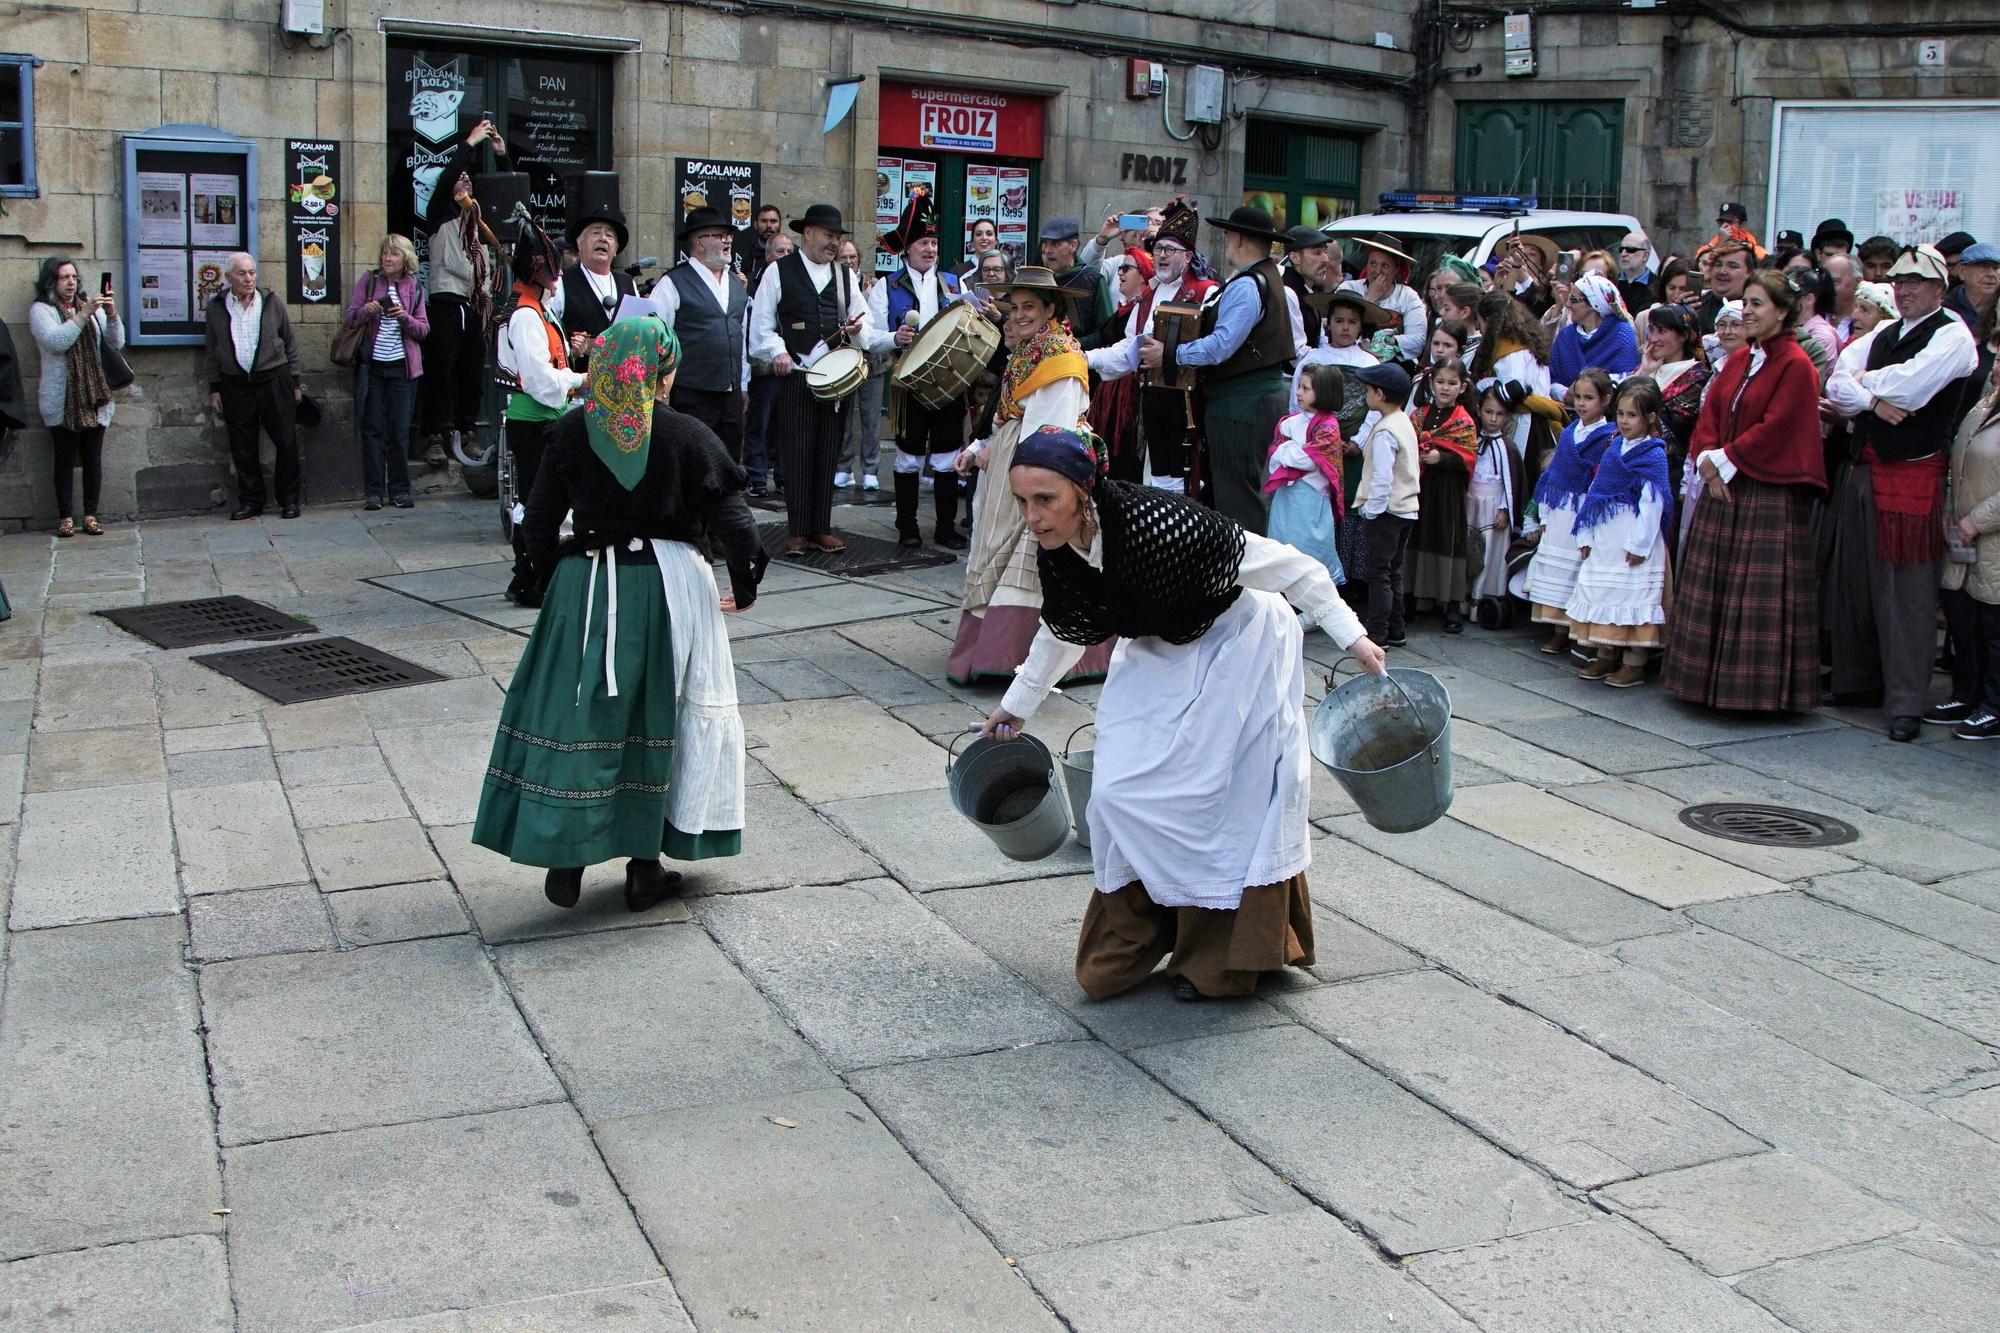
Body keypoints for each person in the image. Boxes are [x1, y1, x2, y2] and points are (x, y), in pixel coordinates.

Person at [976, 427, 1387, 1001]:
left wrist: (1353, 637)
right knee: (1118, 793)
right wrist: (1016, 706)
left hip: (1238, 643)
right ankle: (1142, 931)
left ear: (1083, 491)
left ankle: (1221, 953)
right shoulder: (1060, 554)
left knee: (1215, 793)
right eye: (1022, 501)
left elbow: (1293, 567)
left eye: (1045, 500)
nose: (1034, 516)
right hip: (1159, 647)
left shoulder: (1164, 524)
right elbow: (1062, 630)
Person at [472, 317, 763, 913]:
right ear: (661, 371)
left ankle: (568, 854)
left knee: (582, 716)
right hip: (668, 588)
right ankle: (643, 867)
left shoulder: (571, 432)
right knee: (658, 712)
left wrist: (551, 577)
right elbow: (737, 527)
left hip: (587, 581)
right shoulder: (689, 434)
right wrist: (745, 584)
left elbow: (537, 521)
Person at [1822, 245, 1981, 739]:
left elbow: (1912, 391)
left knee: (1906, 595)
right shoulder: (1886, 333)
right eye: (1900, 282)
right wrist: (1873, 397)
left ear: (1939, 287)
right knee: (1857, 585)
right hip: (1866, 468)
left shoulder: (1954, 335)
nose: (1905, 290)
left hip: (1912, 475)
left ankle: (1906, 701)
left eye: (1916, 282)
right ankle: (1860, 682)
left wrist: (1863, 390)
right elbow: (1837, 382)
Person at [1666, 271, 1827, 713]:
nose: (1748, 312)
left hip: (1765, 492)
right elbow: (1712, 411)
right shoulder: (1740, 359)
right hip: (1723, 484)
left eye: (1757, 304)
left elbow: (1778, 427)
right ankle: (1702, 683)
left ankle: (1752, 694)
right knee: (1715, 587)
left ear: (1782, 311)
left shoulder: (1795, 364)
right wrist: (1707, 460)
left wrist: (1724, 460)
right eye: (1747, 302)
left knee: (1755, 598)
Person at [947, 267, 1114, 685]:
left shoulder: (1061, 357)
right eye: (1015, 307)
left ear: (1050, 309)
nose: (1019, 315)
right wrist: (979, 449)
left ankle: (1022, 654)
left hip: (1043, 470)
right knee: (1007, 550)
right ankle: (1000, 650)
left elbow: (1049, 429)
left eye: (1029, 307)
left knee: (1034, 551)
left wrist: (1032, 485)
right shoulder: (1029, 352)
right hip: (1015, 462)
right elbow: (1006, 419)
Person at [1138, 205, 1294, 532]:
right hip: (1249, 400)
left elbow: (1221, 346)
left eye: (1227, 236)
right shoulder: (1265, 278)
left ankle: (1244, 576)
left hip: (1241, 404)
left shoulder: (1248, 284)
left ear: (1236, 238)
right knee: (1239, 494)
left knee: (1237, 498)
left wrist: (1170, 353)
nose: (1226, 242)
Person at [748, 203, 872, 555]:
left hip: (836, 380)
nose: (833, 243)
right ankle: (797, 530)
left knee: (828, 452)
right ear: (809, 233)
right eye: (828, 236)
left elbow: (865, 320)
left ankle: (821, 526)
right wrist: (778, 352)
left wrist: (860, 328)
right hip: (799, 376)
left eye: (837, 237)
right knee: (798, 452)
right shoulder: (779, 272)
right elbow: (761, 325)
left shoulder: (845, 276)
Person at [867, 192, 967, 549]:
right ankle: (907, 525)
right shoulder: (886, 286)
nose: (930, 249)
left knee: (945, 455)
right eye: (923, 242)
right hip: (907, 381)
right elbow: (869, 335)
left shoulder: (954, 285)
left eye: (934, 242)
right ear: (907, 248)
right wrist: (895, 336)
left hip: (947, 382)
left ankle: (944, 526)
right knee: (908, 455)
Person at [496, 208, 586, 604]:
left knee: (542, 501)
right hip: (533, 420)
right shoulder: (526, 316)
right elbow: (540, 381)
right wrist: (581, 381)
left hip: (547, 418)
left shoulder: (539, 309)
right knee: (535, 502)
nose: (561, 274)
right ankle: (530, 579)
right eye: (555, 269)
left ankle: (534, 577)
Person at [1567, 377, 1672, 687]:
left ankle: (1634, 662)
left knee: (1633, 595)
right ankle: (1606, 654)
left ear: (1650, 417)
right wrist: (1586, 534)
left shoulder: (1652, 455)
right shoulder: (1614, 449)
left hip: (1632, 537)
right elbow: (1596, 492)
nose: (1624, 421)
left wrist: (1639, 545)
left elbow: (1653, 504)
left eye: (1632, 415)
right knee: (1604, 592)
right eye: (1621, 414)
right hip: (1606, 535)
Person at [419, 118, 508, 463]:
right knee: (442, 369)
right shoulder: (440, 215)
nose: (466, 181)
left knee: (472, 370)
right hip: (447, 302)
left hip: (477, 303)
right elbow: (447, 179)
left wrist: (501, 155)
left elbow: (507, 193)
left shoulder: (481, 221)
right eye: (462, 178)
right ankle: (433, 436)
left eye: (470, 179)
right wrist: (471, 143)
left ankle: (466, 431)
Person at [1523, 369, 1618, 656]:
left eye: (1589, 398)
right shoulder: (1568, 433)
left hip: (1584, 508)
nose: (1581, 403)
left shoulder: (1607, 437)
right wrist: (1544, 512)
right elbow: (1554, 474)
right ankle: (1559, 629)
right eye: (1578, 397)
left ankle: (1579, 632)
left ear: (1605, 400)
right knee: (1557, 570)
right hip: (1560, 508)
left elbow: (1601, 478)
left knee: (1578, 570)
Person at [204, 253, 303, 521]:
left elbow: (290, 343)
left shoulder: (271, 303)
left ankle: (289, 500)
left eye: (252, 273)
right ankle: (251, 501)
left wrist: (294, 382)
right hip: (235, 384)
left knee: (285, 441)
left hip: (274, 380)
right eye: (241, 274)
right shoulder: (216, 308)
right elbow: (212, 351)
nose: (248, 279)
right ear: (228, 278)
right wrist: (215, 388)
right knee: (243, 445)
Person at [29, 257, 123, 537]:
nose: (70, 282)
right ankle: (65, 516)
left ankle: (91, 514)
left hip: (94, 395)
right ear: (51, 282)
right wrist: (82, 316)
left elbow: (116, 343)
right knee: (64, 457)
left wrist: (112, 314)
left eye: (73, 277)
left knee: (93, 457)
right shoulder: (41, 311)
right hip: (61, 398)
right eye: (63, 277)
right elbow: (57, 342)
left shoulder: (91, 309)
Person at [652, 207, 750, 473]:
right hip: (691, 394)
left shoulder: (734, 282)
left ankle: (722, 515)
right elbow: (655, 342)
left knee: (728, 466)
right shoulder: (673, 282)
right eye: (720, 235)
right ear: (699, 241)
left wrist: (742, 384)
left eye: (729, 235)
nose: (727, 240)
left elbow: (740, 338)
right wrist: (661, 394)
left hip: (729, 397)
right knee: (692, 466)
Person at [1931, 360, 2000, 739]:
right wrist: (1948, 508)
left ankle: (1994, 705)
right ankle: (1966, 694)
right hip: (1964, 531)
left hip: (1988, 534)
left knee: (1994, 627)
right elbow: (1957, 464)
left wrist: (1977, 521)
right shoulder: (1985, 403)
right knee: (1964, 619)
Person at [343, 234, 430, 511]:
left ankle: (400, 490)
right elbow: (350, 317)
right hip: (373, 368)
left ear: (404, 258)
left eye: (393, 254)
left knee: (399, 430)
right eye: (384, 254)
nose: (387, 259)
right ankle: (373, 492)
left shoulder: (414, 287)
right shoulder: (369, 281)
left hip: (402, 370)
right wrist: (367, 312)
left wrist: (403, 317)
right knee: (372, 430)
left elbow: (423, 329)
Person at [1406, 357, 1477, 632]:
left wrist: (1442, 458)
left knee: (1446, 540)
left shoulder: (1463, 421)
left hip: (1447, 492)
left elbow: (1468, 458)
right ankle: (1411, 596)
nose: (1445, 388)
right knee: (1416, 537)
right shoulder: (1419, 415)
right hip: (1420, 487)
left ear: (1462, 387)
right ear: (1431, 383)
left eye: (1452, 383)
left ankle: (1450, 604)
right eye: (1440, 382)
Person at [1264, 361, 1346, 593]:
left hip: (1311, 500)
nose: (1298, 392)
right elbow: (1276, 458)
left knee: (1310, 547)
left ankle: (1314, 605)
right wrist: (1290, 450)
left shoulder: (1328, 426)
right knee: (1282, 543)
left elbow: (1308, 460)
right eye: (1299, 387)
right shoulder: (1288, 422)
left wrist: (1289, 450)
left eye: (1306, 388)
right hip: (1287, 497)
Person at [1353, 361, 1419, 647]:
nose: (1365, 394)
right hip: (1407, 509)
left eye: (1367, 389)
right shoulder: (1403, 421)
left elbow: (1382, 478)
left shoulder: (1384, 432)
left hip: (1387, 511)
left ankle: (1377, 632)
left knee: (1378, 572)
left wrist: (1371, 510)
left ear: (1379, 394)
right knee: (1393, 570)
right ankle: (1396, 628)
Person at [1085, 245, 1153, 484]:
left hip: (1127, 394)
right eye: (1120, 267)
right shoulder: (1127, 309)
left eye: (1127, 267)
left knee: (1122, 457)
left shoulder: (1142, 309)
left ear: (1143, 275)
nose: (1121, 273)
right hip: (1110, 388)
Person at [559, 177, 636, 368]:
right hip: (581, 387)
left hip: (621, 388)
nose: (603, 239)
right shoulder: (563, 282)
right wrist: (574, 347)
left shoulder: (627, 283)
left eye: (609, 235)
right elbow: (551, 337)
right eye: (595, 233)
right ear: (579, 242)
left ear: (616, 248)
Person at [741, 230, 794, 497]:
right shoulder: (751, 283)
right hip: (761, 366)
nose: (785, 257)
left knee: (786, 425)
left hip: (790, 367)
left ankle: (784, 477)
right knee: (759, 424)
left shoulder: (795, 280)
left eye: (789, 252)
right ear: (768, 254)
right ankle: (757, 477)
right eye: (780, 251)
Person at [835, 236, 888, 496]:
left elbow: (879, 326)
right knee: (843, 418)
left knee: (871, 419)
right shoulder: (832, 285)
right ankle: (843, 468)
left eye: (852, 257)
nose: (847, 261)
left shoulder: (874, 287)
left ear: (859, 261)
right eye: (842, 257)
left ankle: (870, 471)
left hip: (872, 361)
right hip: (844, 360)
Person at [1467, 384, 1524, 613]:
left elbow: (1511, 484)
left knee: (1490, 551)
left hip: (1493, 507)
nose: (1493, 419)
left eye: (1499, 414)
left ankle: (1483, 602)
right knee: (1469, 549)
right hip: (1471, 502)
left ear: (1507, 417)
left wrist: (1504, 509)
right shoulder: (1472, 439)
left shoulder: (1507, 447)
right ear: (1479, 410)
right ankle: (1463, 599)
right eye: (1489, 412)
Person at [1338, 233, 1427, 362]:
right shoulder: (1348, 289)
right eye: (1373, 264)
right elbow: (1339, 326)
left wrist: (1387, 343)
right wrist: (1370, 299)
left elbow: (1418, 339)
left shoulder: (1408, 296)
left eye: (1385, 266)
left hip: (1393, 365)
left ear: (1396, 269)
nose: (1377, 271)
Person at [1549, 273, 1639, 400]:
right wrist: (1564, 394)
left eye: (1573, 300)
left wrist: (1589, 391)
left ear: (1593, 303)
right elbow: (1550, 378)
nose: (1567, 304)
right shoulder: (1566, 336)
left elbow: (1629, 379)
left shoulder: (1621, 333)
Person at [1038, 217, 1109, 341]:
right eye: (1045, 243)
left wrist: (1071, 345)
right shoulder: (1037, 280)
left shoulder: (1092, 280)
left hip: (1080, 356)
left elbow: (1106, 331)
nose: (1048, 250)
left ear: (1073, 245)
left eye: (1055, 244)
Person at [1283, 226, 1343, 351]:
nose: (1326, 259)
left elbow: (1320, 341)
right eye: (1317, 253)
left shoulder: (1307, 290)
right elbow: (1297, 352)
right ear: (1295, 257)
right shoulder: (1288, 292)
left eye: (1325, 252)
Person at [1697, 239, 1753, 334]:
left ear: (1750, 274)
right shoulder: (1696, 306)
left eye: (1732, 266)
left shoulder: (1756, 311)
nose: (1722, 271)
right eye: (1718, 265)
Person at [1947, 242, 2000, 335]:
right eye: (1984, 267)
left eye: (1996, 268)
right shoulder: (1945, 310)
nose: (1992, 274)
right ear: (1962, 271)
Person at [1695, 201, 1766, 264]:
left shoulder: (1758, 252)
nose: (1724, 226)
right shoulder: (1708, 248)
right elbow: (1703, 267)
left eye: (1730, 222)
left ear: (1742, 225)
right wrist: (1720, 244)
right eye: (1721, 222)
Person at [740, 204, 784, 286]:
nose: (769, 226)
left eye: (773, 221)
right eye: (764, 221)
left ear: (780, 224)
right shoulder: (749, 253)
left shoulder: (793, 252)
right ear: (756, 224)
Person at [1615, 232, 1656, 313]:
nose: (1623, 254)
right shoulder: (1612, 282)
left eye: (1630, 249)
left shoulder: (1657, 286)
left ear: (1645, 256)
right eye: (1621, 249)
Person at [955, 217, 1002, 284]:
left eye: (989, 234)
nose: (984, 238)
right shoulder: (958, 272)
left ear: (996, 241)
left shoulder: (1005, 271)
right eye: (978, 234)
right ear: (972, 242)